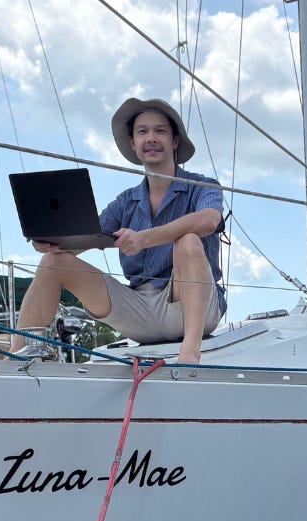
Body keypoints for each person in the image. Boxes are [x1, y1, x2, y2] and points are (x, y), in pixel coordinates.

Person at [13, 97, 226, 363]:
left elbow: (209, 220)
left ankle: (190, 353)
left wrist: (144, 238)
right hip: (139, 310)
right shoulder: (125, 202)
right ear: (133, 144)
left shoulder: (203, 186)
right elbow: (88, 237)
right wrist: (52, 242)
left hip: (191, 308)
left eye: (160, 131)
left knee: (189, 241)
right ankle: (16, 357)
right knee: (52, 261)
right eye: (142, 131)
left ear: (174, 141)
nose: (151, 138)